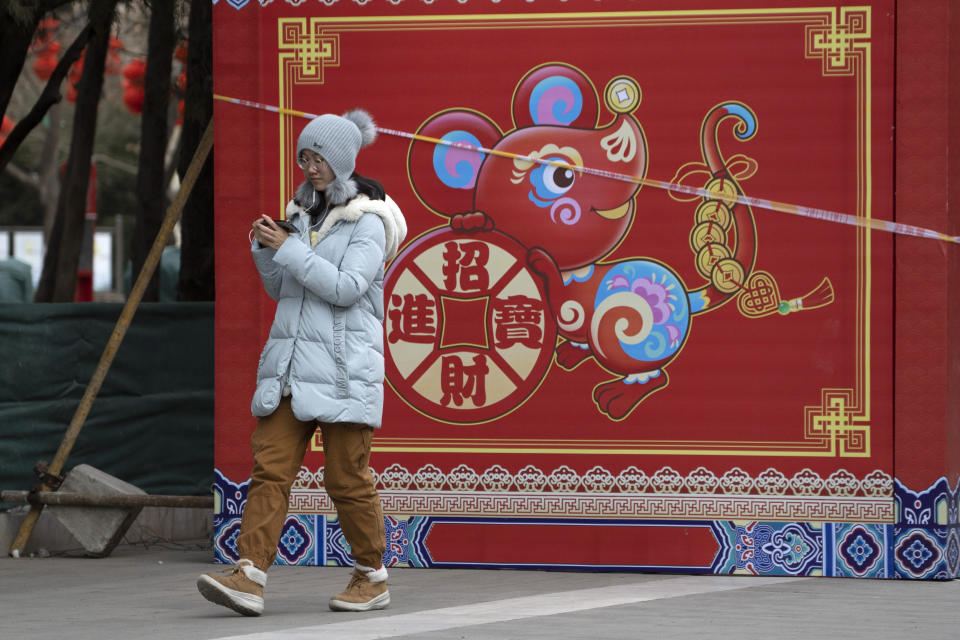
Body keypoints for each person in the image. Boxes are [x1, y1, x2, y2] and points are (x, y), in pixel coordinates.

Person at [197, 109, 407, 616]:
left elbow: (345, 289)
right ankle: (249, 575)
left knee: (346, 478)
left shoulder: (369, 221)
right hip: (290, 367)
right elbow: (282, 289)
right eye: (304, 158)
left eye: (318, 159)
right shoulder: (302, 214)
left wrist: (288, 247)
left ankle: (372, 576)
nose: (309, 167)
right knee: (270, 470)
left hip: (343, 369)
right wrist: (266, 249)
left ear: (341, 161)